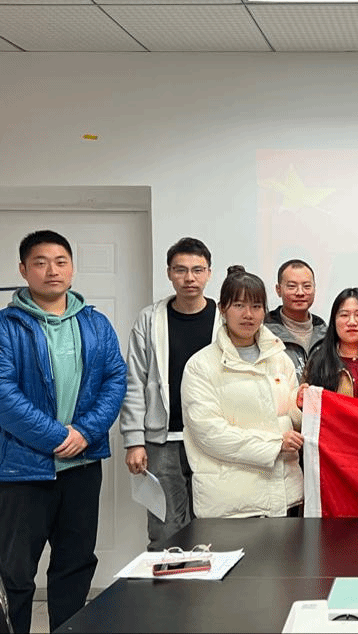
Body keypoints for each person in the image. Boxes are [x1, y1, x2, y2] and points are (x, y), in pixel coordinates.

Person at [0, 230, 126, 633]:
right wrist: (56, 437)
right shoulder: (6, 326)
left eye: (60, 262)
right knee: (15, 572)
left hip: (82, 466)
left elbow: (115, 379)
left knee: (75, 565)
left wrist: (85, 432)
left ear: (71, 269)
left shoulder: (95, 323)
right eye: (40, 262)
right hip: (22, 471)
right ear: (23, 270)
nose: (51, 270)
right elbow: (3, 393)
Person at [119, 237, 221, 549]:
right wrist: (134, 440)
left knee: (213, 525)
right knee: (165, 529)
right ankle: (167, 582)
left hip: (212, 437)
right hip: (162, 440)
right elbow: (134, 381)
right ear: (169, 273)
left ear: (209, 273)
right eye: (181, 270)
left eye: (197, 270)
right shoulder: (150, 319)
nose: (189, 278)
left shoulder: (225, 318)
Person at [181, 266, 303, 518]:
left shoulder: (280, 358)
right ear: (222, 308)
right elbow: (210, 433)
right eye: (239, 305)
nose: (248, 314)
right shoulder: (201, 365)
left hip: (285, 497)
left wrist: (303, 405)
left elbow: (291, 418)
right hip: (230, 504)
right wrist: (274, 445)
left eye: (256, 306)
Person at [265, 258, 327, 381]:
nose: (300, 292)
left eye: (307, 286)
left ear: (314, 289)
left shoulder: (326, 334)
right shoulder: (264, 332)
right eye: (292, 286)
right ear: (278, 290)